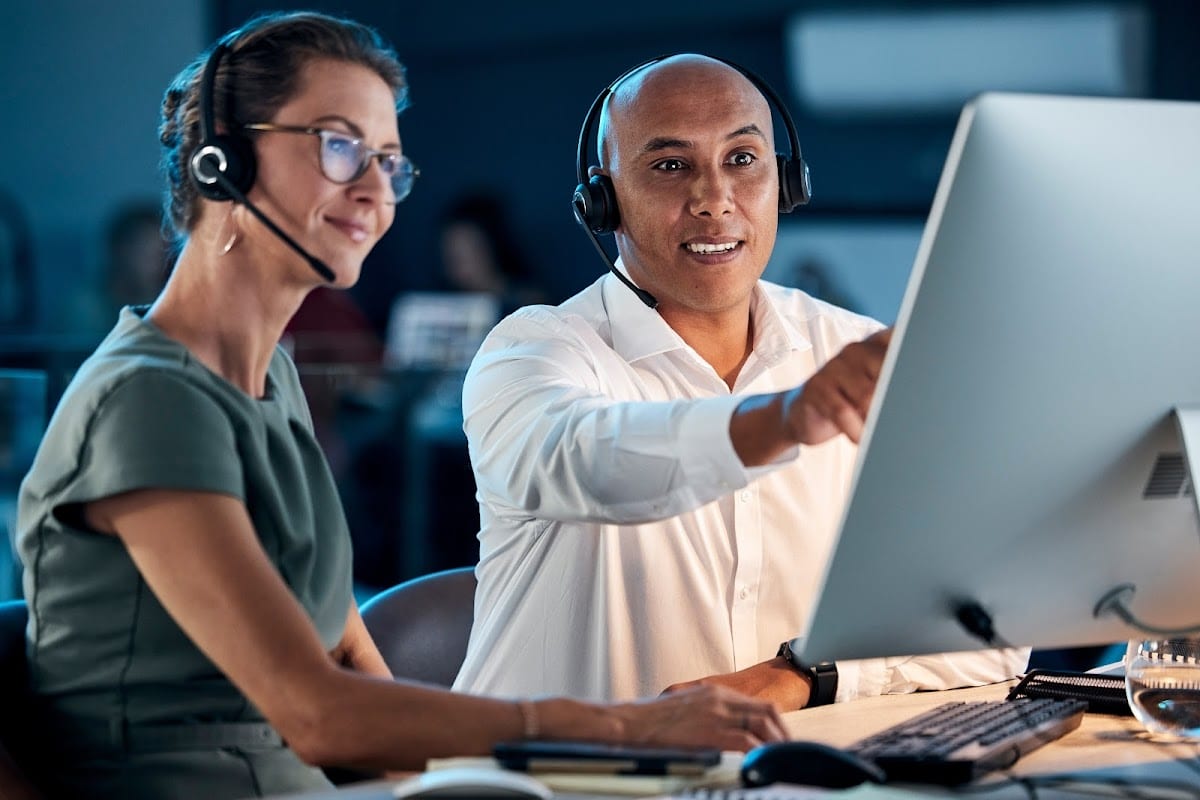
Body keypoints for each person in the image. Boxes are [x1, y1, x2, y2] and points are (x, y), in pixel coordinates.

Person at [13, 20, 783, 800]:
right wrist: (622, 727)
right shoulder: (147, 400)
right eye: (341, 146)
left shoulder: (265, 381)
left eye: (389, 162)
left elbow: (346, 651)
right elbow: (317, 714)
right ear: (225, 157)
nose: (377, 189)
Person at [454, 54, 1028, 708]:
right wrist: (783, 419)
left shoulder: (848, 350)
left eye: (743, 160)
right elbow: (584, 461)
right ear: (603, 201)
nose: (714, 199)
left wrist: (804, 675)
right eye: (670, 166)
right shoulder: (532, 349)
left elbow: (990, 626)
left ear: (785, 183)